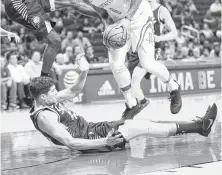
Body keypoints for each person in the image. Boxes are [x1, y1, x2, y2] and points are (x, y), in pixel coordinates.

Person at [63, 0, 182, 119]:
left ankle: (174, 87)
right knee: (115, 64)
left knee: (148, 64)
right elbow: (102, 13)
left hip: (139, 15)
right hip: (120, 21)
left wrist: (128, 18)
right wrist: (108, 27)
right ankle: (132, 104)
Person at [29, 56, 219, 153]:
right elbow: (70, 142)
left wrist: (84, 71)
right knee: (142, 126)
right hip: (93, 141)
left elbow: (72, 92)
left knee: (143, 123)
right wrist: (104, 142)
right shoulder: (45, 116)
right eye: (53, 92)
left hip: (93, 129)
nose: (57, 94)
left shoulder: (47, 100)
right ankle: (200, 126)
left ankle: (198, 126)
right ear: (42, 98)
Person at [128, 0, 178, 103]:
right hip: (137, 48)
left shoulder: (162, 10)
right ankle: (142, 102)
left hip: (152, 48)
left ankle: (172, 85)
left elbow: (174, 32)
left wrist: (160, 38)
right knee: (129, 82)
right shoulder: (138, 9)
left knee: (135, 77)